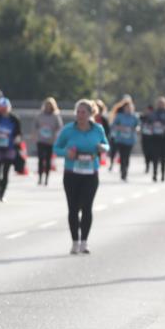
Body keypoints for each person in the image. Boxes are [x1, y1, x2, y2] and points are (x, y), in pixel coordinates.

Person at [53, 99, 110, 254]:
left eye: (83, 112)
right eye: (78, 112)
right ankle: (74, 242)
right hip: (72, 173)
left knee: (87, 207)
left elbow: (106, 145)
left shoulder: (98, 129)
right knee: (73, 208)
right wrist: (67, 153)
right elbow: (56, 148)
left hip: (90, 174)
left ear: (90, 114)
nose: (80, 115)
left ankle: (84, 242)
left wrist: (102, 148)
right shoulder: (68, 130)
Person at [0, 97, 23, 201]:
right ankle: (0, 185)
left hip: (9, 148)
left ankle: (2, 193)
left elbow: (18, 134)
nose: (3, 110)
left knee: (6, 171)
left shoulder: (14, 119)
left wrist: (17, 139)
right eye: (1, 108)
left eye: (5, 108)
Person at [145, 96, 165, 182]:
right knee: (155, 157)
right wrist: (152, 125)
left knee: (164, 157)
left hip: (164, 138)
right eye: (159, 103)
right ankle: (155, 174)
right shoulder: (153, 113)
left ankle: (163, 175)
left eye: (162, 103)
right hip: (155, 138)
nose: (161, 105)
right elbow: (147, 123)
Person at [34, 97, 63, 186]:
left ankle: (46, 178)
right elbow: (35, 126)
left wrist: (56, 135)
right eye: (47, 105)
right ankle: (40, 177)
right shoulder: (40, 115)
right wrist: (35, 134)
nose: (48, 107)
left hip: (50, 141)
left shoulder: (55, 116)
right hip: (41, 140)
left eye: (49, 105)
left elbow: (60, 127)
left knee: (48, 159)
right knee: (40, 159)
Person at [109, 97, 139, 182]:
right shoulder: (119, 116)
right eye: (127, 108)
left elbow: (138, 126)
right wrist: (120, 127)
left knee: (127, 156)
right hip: (120, 139)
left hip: (130, 140)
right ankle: (123, 172)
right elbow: (113, 125)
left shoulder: (134, 117)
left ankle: (125, 171)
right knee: (122, 156)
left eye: (130, 108)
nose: (128, 109)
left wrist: (135, 129)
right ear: (124, 108)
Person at [140, 105, 155, 174]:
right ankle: (147, 166)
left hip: (152, 138)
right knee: (146, 152)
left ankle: (152, 164)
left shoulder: (154, 117)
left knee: (152, 152)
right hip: (145, 137)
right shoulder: (142, 117)